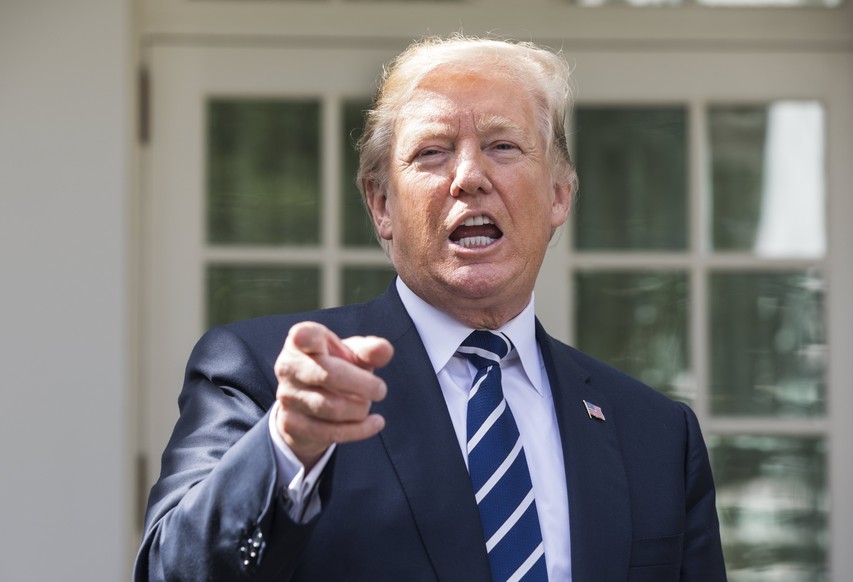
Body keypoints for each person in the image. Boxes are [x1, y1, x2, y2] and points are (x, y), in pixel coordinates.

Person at [134, 35, 726, 582]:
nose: (469, 177)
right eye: (433, 152)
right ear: (381, 204)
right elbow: (171, 569)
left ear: (559, 195)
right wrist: (286, 446)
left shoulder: (655, 434)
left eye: (502, 145)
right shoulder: (265, 377)